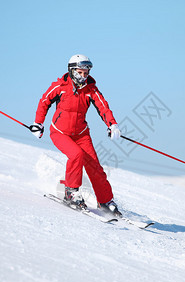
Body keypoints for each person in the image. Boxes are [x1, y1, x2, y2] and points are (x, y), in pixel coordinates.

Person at [30, 54, 122, 216]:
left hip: (81, 134)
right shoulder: (60, 86)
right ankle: (71, 192)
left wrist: (112, 125)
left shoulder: (90, 89)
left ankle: (106, 201)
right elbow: (44, 101)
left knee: (95, 166)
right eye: (80, 73)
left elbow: (103, 107)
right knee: (76, 155)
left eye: (86, 73)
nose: (83, 76)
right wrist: (38, 123)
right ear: (72, 71)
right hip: (60, 132)